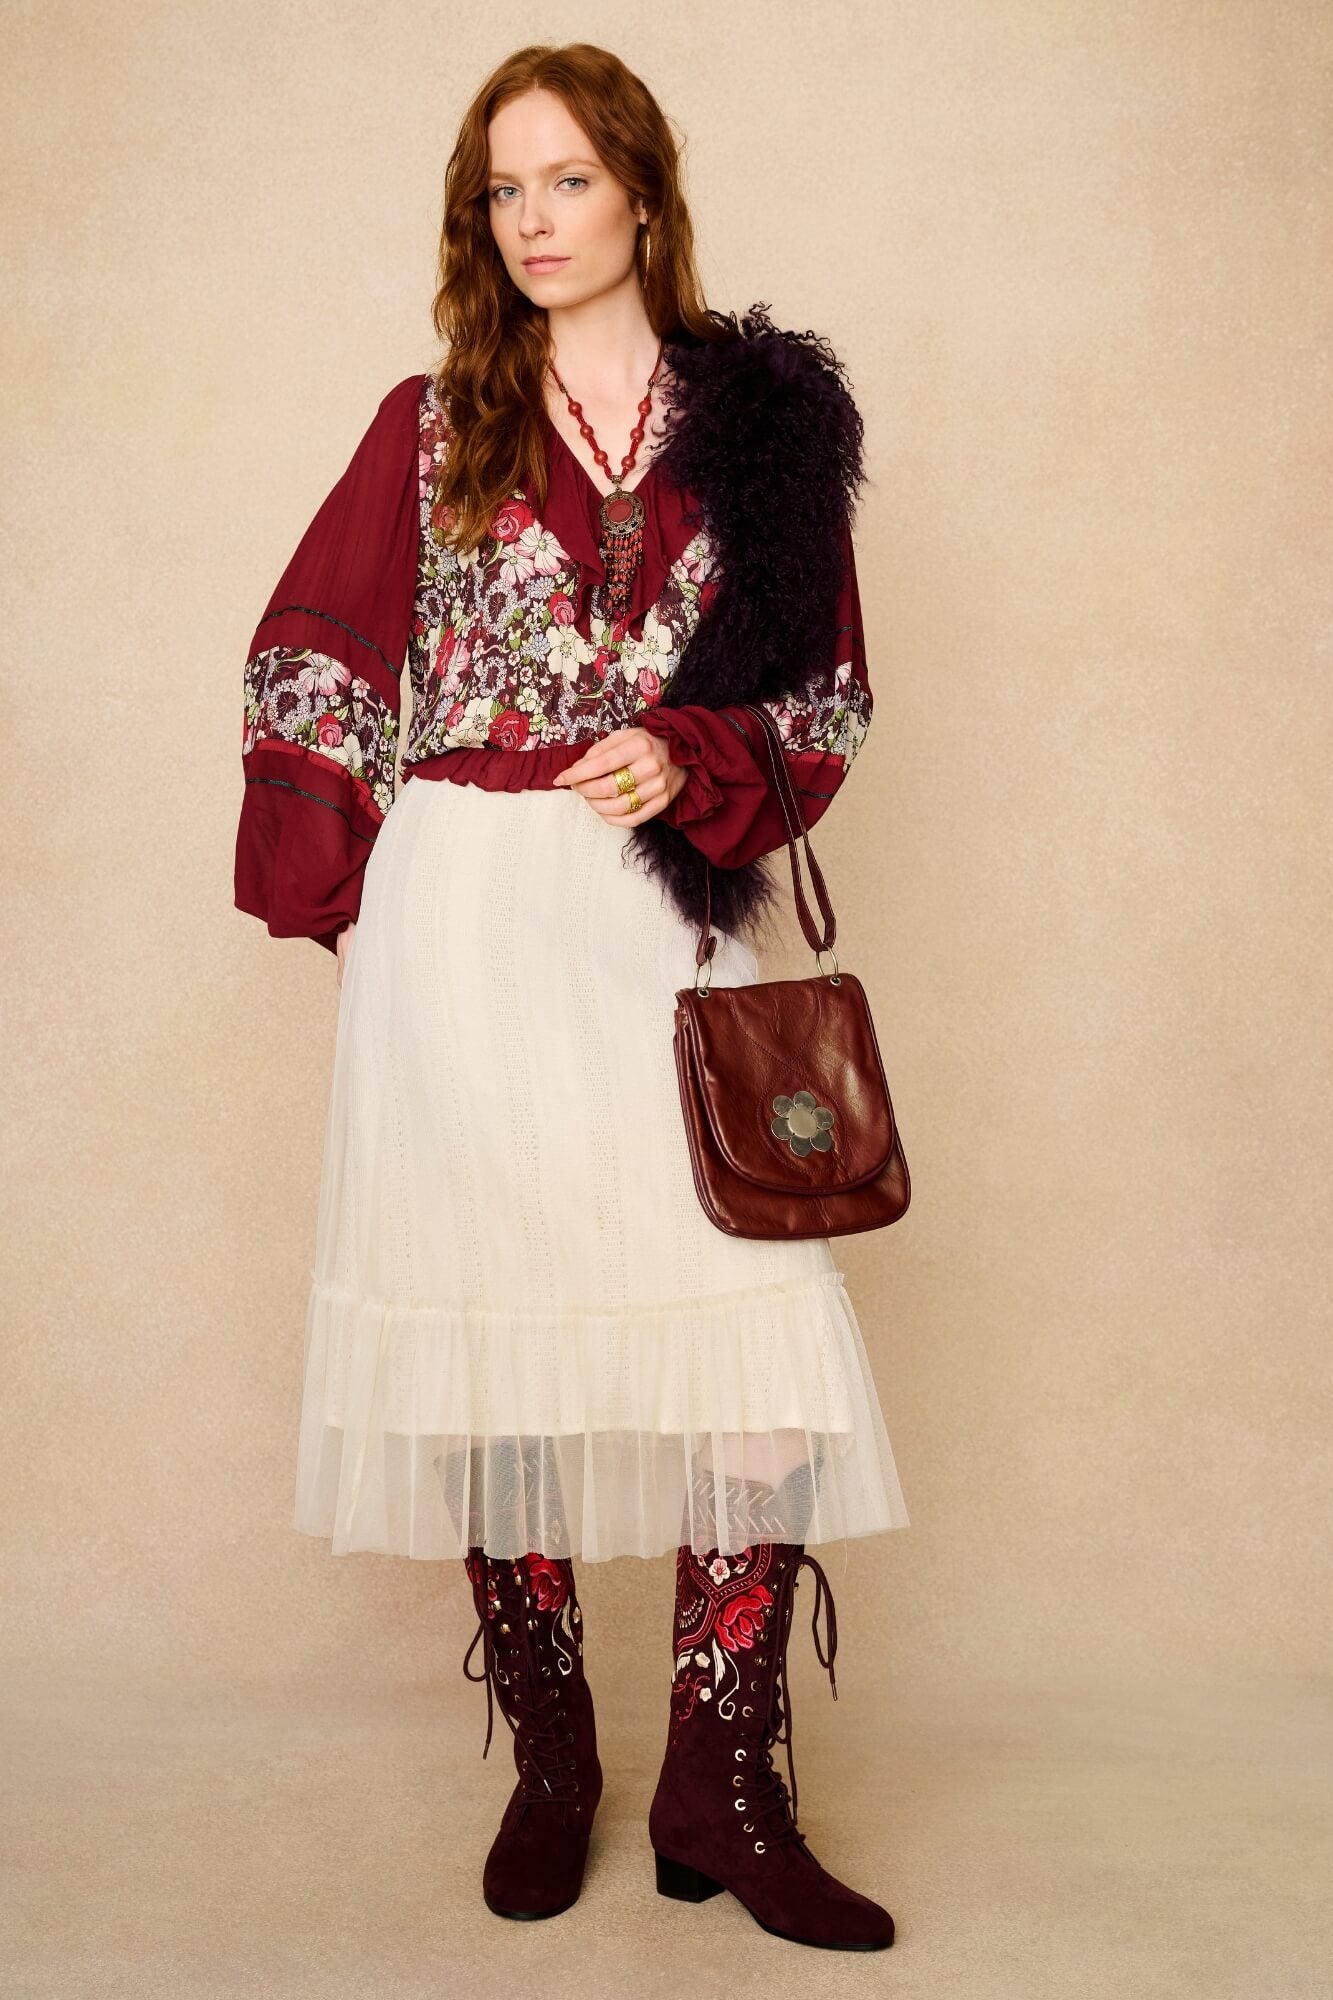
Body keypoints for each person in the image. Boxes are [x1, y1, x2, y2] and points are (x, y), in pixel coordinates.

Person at [234, 40, 910, 1953]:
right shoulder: (433, 420)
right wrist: (358, 904)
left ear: (641, 192)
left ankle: (726, 1778)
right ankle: (555, 1764)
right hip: (465, 924)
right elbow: (316, 661)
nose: (533, 222)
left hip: (667, 921)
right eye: (501, 192)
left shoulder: (763, 422)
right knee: (493, 1349)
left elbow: (829, 697)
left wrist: (686, 754)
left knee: (753, 1350)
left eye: (566, 182)